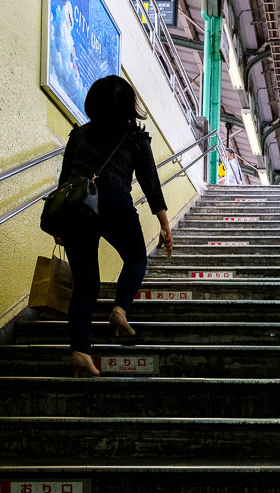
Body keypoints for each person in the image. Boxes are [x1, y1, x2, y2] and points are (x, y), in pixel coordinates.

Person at [56, 75, 173, 377]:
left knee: (86, 284)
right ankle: (120, 309)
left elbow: (64, 181)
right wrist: (164, 224)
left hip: (77, 205)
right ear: (128, 104)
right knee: (135, 257)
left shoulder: (78, 135)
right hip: (113, 201)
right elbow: (150, 183)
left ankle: (81, 351)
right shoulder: (134, 137)